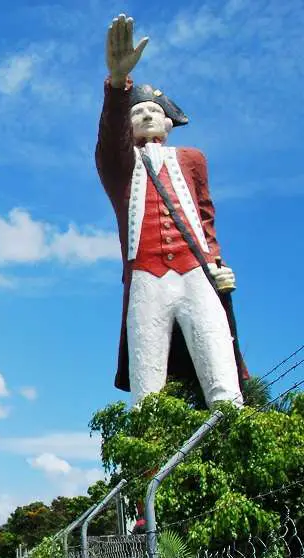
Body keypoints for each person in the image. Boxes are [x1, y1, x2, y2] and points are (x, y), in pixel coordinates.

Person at [96, 13, 247, 407]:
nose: (145, 115)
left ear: (168, 122)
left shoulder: (192, 159)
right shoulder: (122, 166)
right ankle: (150, 467)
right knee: (150, 392)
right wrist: (116, 85)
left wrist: (216, 262)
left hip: (195, 272)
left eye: (153, 110)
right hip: (146, 276)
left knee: (223, 381)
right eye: (136, 111)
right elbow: (110, 142)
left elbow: (205, 217)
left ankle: (234, 450)